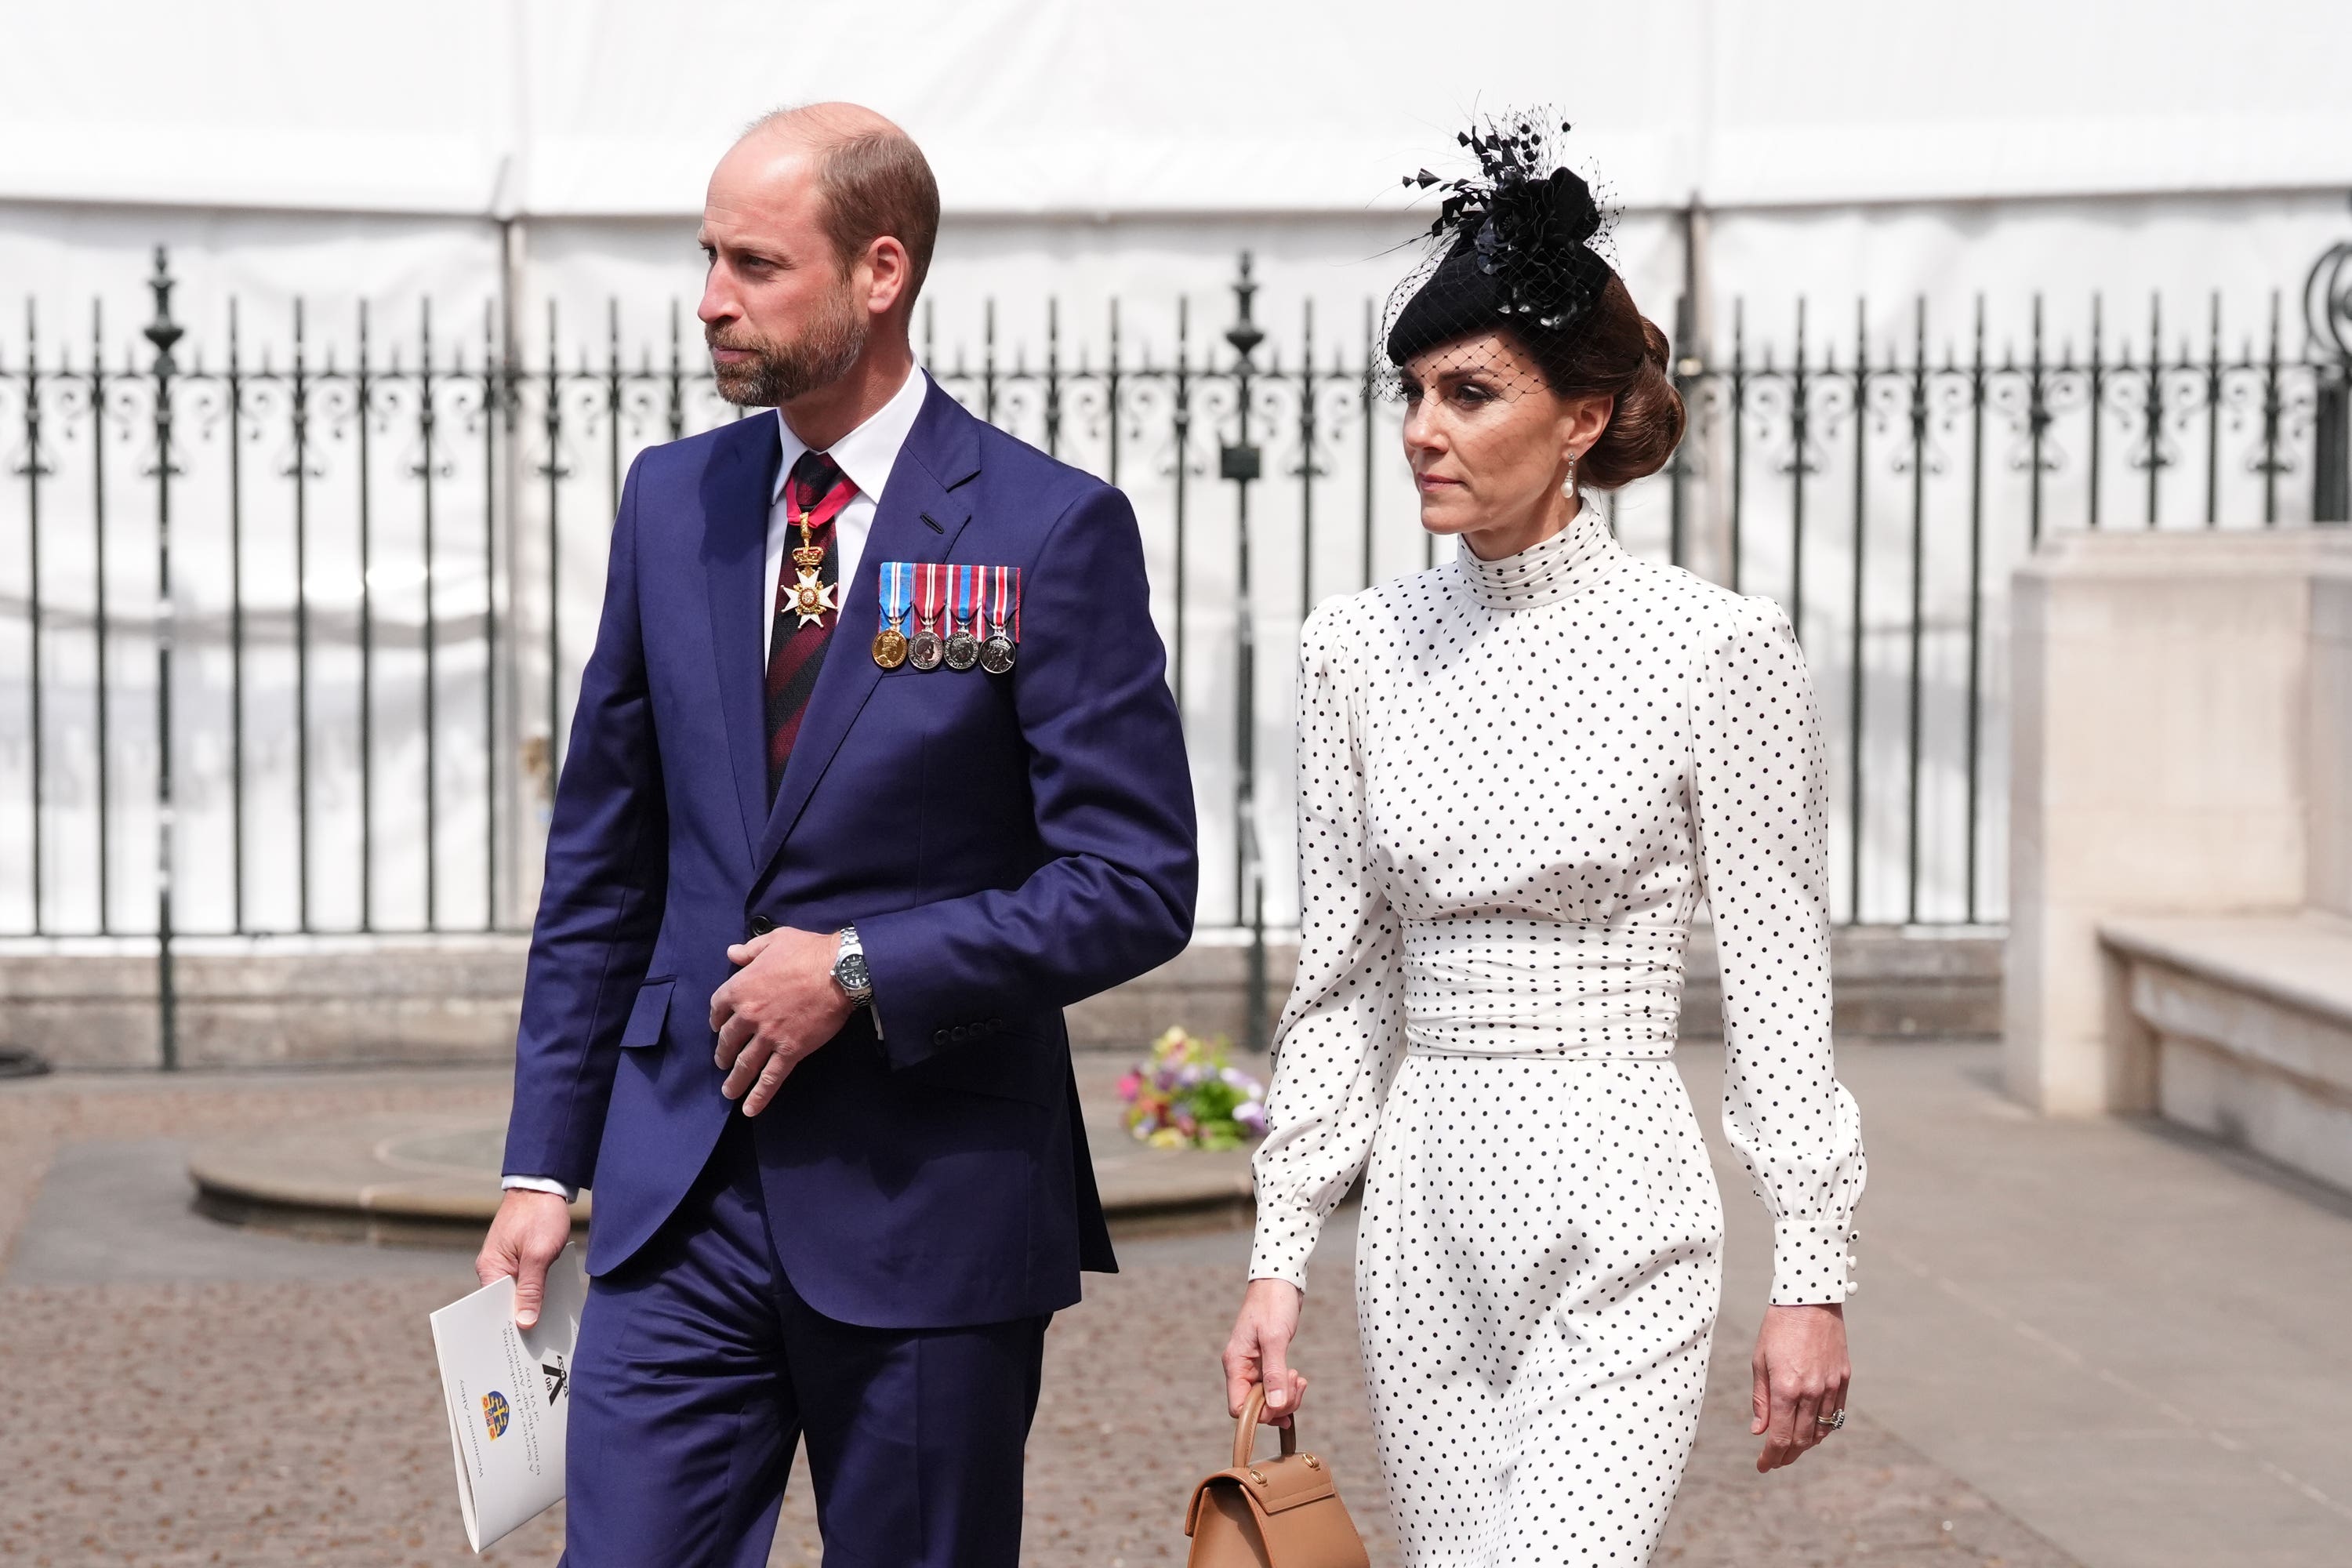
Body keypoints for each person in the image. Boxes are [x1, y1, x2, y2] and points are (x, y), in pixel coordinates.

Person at [474, 103, 1196, 1568]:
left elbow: (1136, 881)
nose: (710, 299)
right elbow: (604, 864)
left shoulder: (1052, 530)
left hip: (929, 1204)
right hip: (677, 1202)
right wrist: (544, 1167)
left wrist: (864, 965)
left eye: (753, 263)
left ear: (880, 273)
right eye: (707, 257)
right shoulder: (670, 501)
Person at [1221, 114, 1866, 1566]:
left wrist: (1810, 1273)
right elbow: (1343, 984)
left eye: (1470, 391)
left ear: (1580, 419)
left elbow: (1776, 979)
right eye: (1412, 392)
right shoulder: (1353, 652)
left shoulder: (1717, 650)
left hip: (1622, 1202)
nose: (1422, 430)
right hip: (1421, 1215)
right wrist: (1277, 1258)